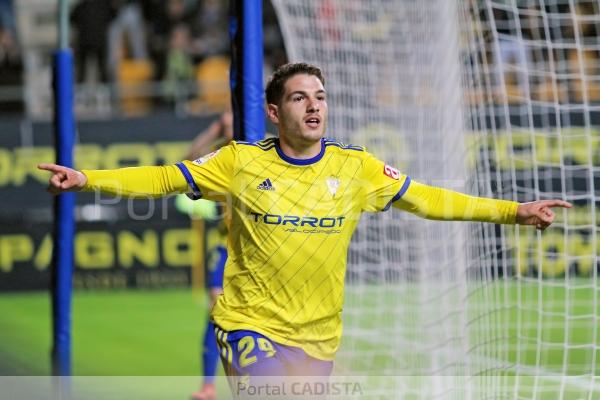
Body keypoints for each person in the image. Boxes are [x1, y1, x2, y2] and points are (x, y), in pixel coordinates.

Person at [39, 62, 571, 385]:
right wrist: (88, 180)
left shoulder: (356, 167)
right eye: (299, 97)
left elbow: (428, 200)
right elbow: (163, 179)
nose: (313, 107)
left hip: (318, 340)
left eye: (320, 97)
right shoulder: (240, 162)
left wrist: (512, 212)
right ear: (275, 112)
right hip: (250, 325)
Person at [174, 111, 233, 400]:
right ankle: (208, 386)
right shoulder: (221, 154)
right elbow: (188, 160)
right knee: (215, 312)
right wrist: (214, 129)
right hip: (228, 247)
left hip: (264, 248)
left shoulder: (266, 148)